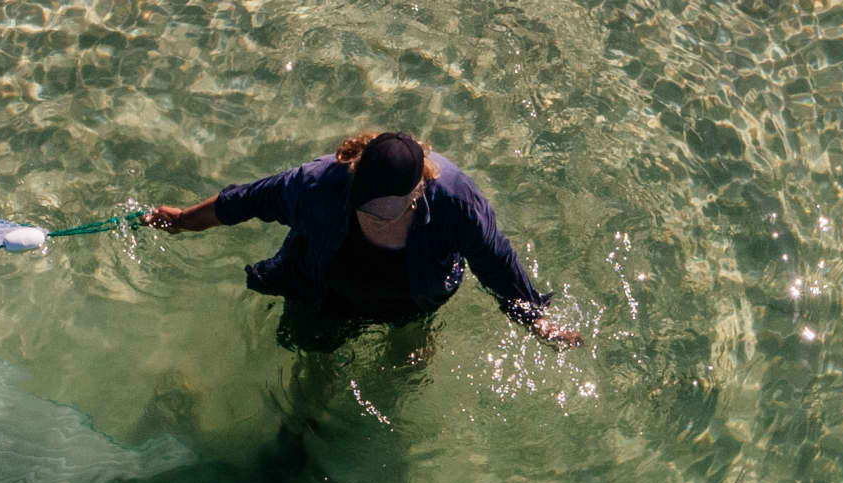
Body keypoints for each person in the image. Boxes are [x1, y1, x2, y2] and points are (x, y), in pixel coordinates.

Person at [146, 130, 583, 354]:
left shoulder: (454, 199)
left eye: (380, 210)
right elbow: (244, 201)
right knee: (310, 359)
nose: (366, 215)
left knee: (408, 363)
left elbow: (495, 259)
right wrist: (182, 220)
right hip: (326, 291)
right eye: (361, 203)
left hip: (412, 299)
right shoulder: (321, 183)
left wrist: (535, 320)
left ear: (417, 193)